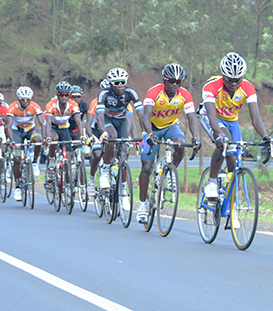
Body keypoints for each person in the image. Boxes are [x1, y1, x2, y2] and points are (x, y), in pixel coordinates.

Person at [200, 53, 273, 210]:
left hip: (232, 120)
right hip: (212, 116)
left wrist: (266, 137)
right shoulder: (211, 87)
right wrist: (218, 135)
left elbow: (256, 119)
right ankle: (212, 182)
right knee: (225, 142)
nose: (233, 83)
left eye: (237, 80)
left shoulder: (248, 87)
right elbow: (212, 117)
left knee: (234, 162)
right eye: (229, 80)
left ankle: (231, 208)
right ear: (223, 76)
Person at [138, 63, 201, 222]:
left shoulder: (185, 95)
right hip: (152, 127)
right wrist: (150, 134)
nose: (174, 84)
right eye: (171, 81)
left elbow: (192, 118)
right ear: (164, 80)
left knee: (180, 144)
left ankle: (171, 172)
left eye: (178, 82)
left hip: (171, 126)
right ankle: (142, 205)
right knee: (146, 167)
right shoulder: (154, 92)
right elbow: (146, 116)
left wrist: (196, 138)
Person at [96, 68, 144, 196]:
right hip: (107, 119)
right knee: (112, 136)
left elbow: (140, 114)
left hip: (121, 120)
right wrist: (103, 132)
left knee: (125, 148)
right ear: (111, 84)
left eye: (123, 82)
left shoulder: (131, 92)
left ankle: (123, 191)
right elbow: (99, 116)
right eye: (116, 83)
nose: (120, 85)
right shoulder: (104, 93)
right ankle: (105, 171)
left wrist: (145, 133)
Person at [43, 81, 85, 187]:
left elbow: (79, 121)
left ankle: (67, 185)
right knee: (55, 138)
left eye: (67, 95)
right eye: (62, 95)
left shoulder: (73, 105)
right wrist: (48, 137)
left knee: (68, 157)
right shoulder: (51, 105)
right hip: (53, 127)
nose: (64, 98)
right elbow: (48, 122)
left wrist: (82, 136)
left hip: (64, 128)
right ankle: (51, 162)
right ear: (58, 95)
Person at [7, 86, 44, 202]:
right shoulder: (12, 107)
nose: (25, 102)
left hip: (30, 129)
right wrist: (12, 141)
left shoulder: (35, 106)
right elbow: (8, 126)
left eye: (28, 99)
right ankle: (17, 187)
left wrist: (45, 136)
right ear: (19, 99)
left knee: (38, 141)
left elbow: (42, 123)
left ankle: (34, 162)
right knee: (17, 159)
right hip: (16, 131)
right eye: (23, 99)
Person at [86, 79, 111, 199]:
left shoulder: (118, 101)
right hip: (96, 130)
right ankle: (91, 179)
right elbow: (88, 124)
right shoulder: (95, 102)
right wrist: (91, 137)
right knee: (97, 154)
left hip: (110, 130)